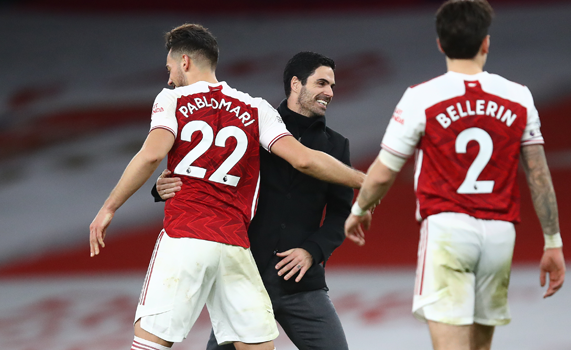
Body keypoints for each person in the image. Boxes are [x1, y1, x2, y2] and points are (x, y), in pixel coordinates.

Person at [88, 24, 364, 350]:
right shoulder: (256, 110)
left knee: (151, 342)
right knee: (256, 345)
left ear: (185, 61)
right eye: (322, 82)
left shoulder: (172, 99)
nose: (169, 77)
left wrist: (109, 207)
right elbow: (304, 160)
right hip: (236, 249)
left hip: (190, 237)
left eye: (169, 68)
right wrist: (367, 180)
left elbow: (152, 156)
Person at [344, 1, 566, 349]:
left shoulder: (422, 97)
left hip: (448, 230)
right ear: (486, 43)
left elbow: (384, 172)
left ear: (440, 44)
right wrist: (553, 241)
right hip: (499, 234)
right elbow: (539, 174)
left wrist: (360, 210)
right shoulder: (519, 97)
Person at [154, 51, 359, 350]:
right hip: (243, 277)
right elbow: (209, 175)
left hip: (302, 284)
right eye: (322, 83)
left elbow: (342, 214)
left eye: (332, 86)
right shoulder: (253, 128)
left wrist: (311, 251)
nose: (329, 92)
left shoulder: (337, 146)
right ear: (296, 84)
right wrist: (161, 187)